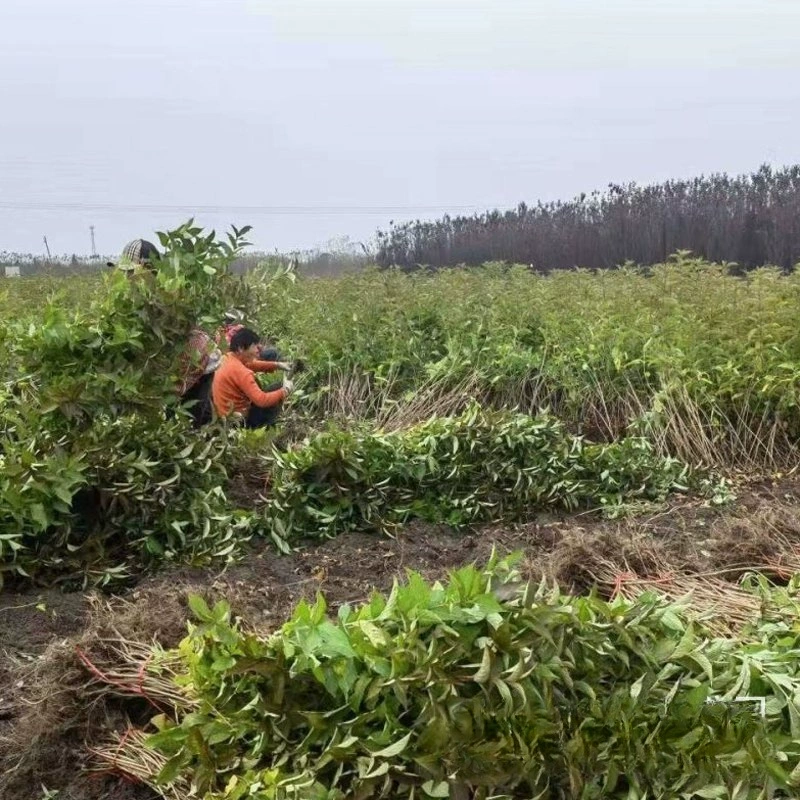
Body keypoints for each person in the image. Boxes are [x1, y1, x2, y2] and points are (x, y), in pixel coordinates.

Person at [211, 327, 293, 428]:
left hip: (224, 417)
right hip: (240, 422)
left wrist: (278, 365)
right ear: (241, 348)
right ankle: (264, 428)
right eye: (254, 346)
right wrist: (285, 390)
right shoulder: (241, 372)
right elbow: (261, 400)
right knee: (278, 388)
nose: (257, 350)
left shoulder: (226, 358)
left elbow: (251, 364)